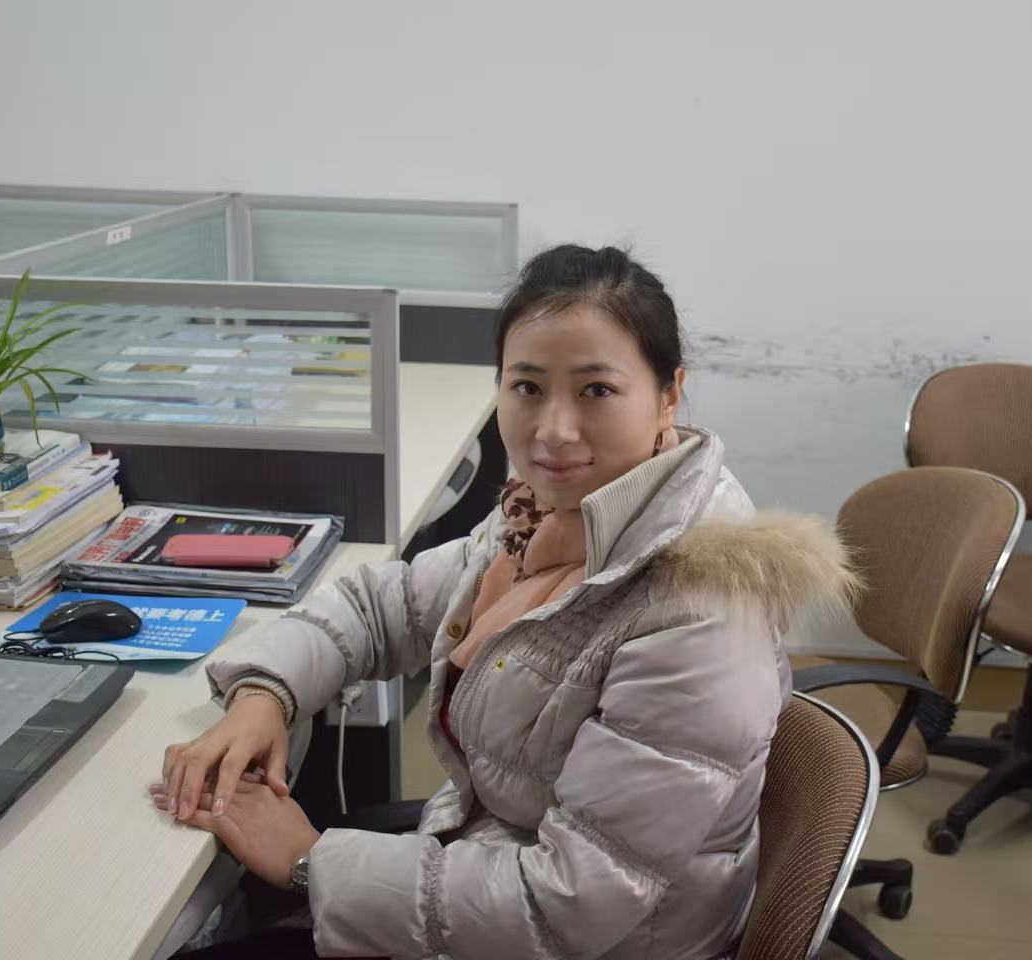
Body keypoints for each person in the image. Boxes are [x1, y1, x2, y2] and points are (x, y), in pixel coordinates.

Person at [152, 244, 858, 959]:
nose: (552, 430)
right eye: (526, 387)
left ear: (668, 394)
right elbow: (383, 606)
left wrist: (311, 863)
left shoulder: (697, 609)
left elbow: (569, 906)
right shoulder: (545, 517)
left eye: (596, 390)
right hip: (485, 871)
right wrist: (264, 694)